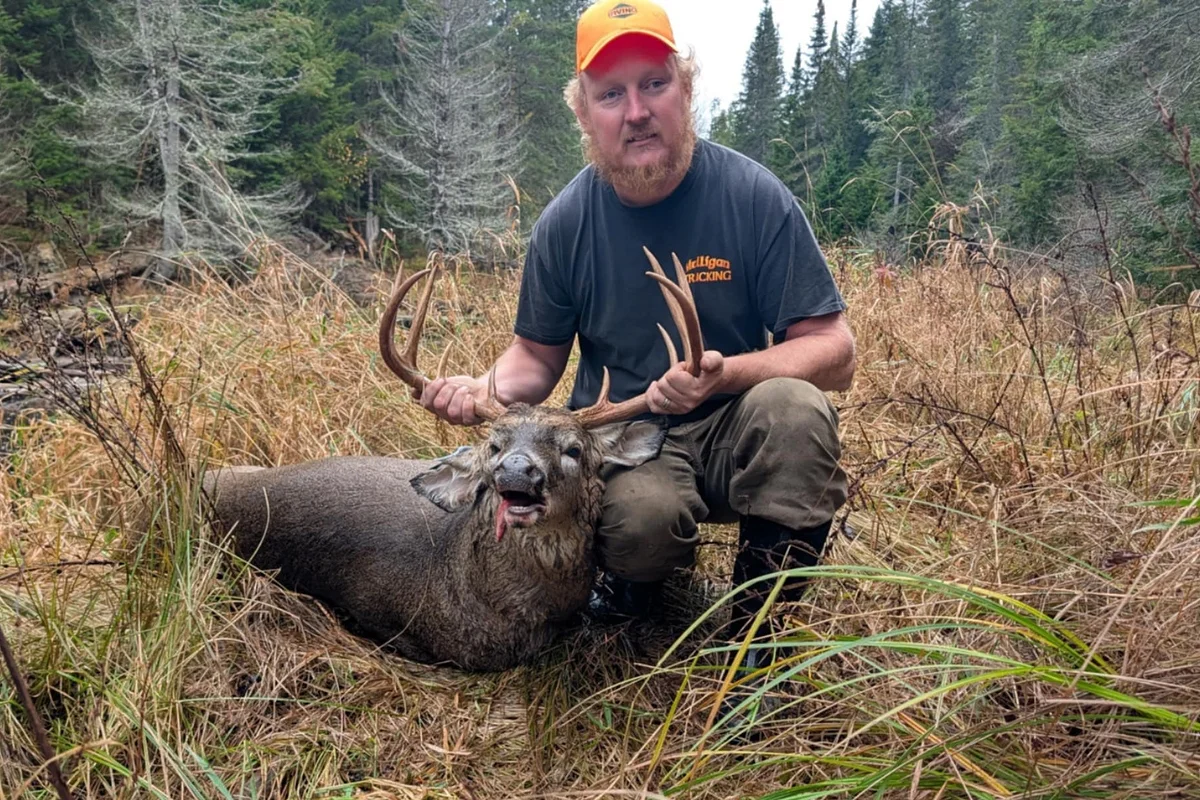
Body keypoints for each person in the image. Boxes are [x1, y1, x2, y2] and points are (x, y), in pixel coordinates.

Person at [418, 0, 854, 641]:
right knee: (641, 525)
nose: (637, 111)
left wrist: (725, 373)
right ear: (584, 114)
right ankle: (636, 595)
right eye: (611, 94)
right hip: (624, 437)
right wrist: (484, 390)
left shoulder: (753, 197)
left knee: (795, 408)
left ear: (686, 88)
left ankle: (763, 636)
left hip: (738, 426)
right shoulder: (565, 224)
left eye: (655, 84)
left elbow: (834, 352)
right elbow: (536, 358)